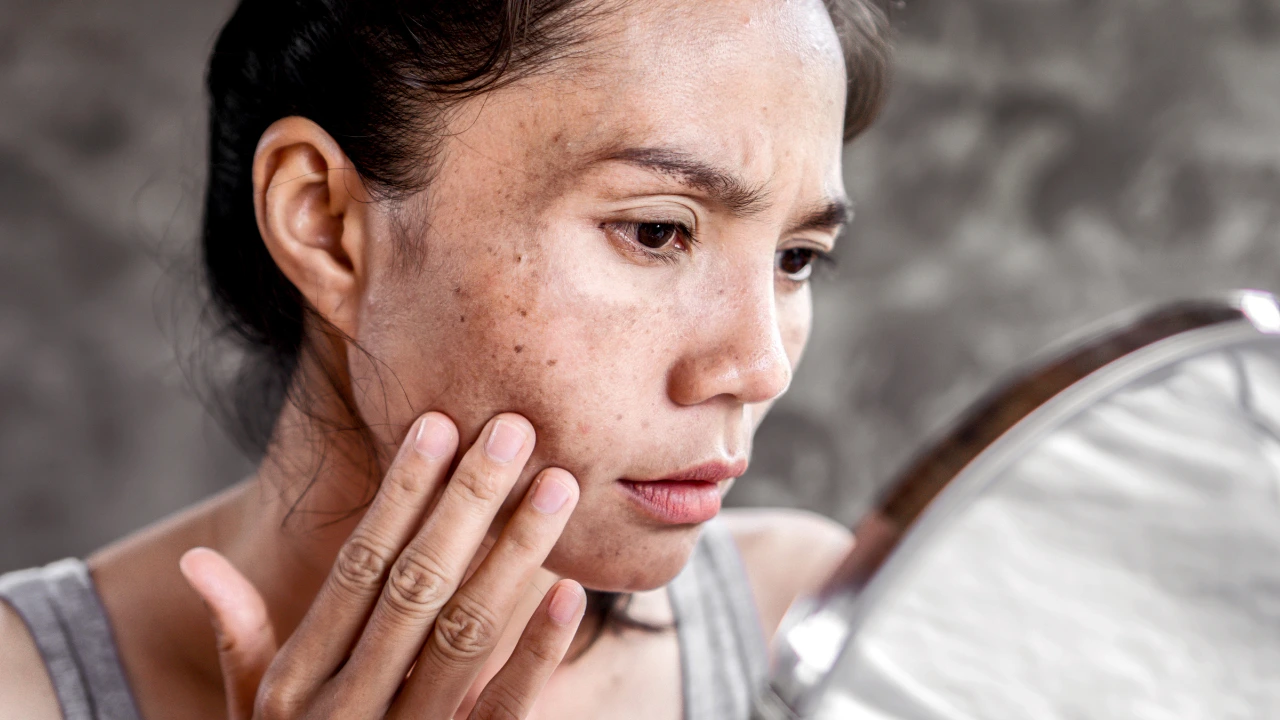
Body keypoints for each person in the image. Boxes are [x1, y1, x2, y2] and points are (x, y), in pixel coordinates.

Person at [0, 0, 891, 717]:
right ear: (327, 225)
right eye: (656, 231)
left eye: (796, 258)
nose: (760, 365)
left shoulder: (819, 635)